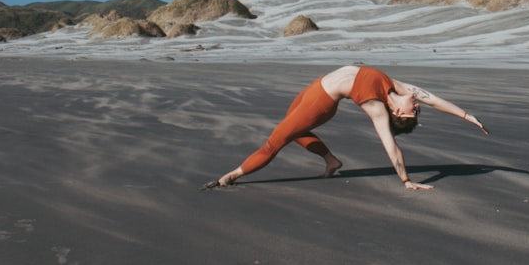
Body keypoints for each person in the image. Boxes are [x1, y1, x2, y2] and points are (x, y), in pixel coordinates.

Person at [207, 65, 488, 190]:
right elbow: (436, 100)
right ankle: (331, 160)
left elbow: (391, 145)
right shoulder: (400, 88)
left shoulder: (377, 107)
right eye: (416, 108)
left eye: (414, 111)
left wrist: (406, 180)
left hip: (321, 102)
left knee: (276, 141)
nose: (417, 104)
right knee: (291, 130)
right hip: (315, 86)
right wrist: (467, 115)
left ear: (399, 113)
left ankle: (230, 176)